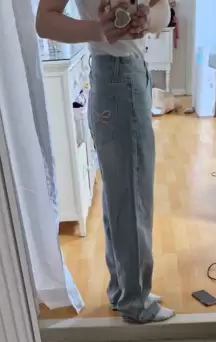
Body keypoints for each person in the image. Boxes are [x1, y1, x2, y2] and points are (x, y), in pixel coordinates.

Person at [36, 0, 175, 323]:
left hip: (126, 71)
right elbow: (44, 21)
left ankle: (124, 290)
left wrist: (146, 20)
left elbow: (163, 9)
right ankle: (136, 303)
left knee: (122, 193)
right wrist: (98, 29)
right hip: (118, 74)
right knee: (132, 194)